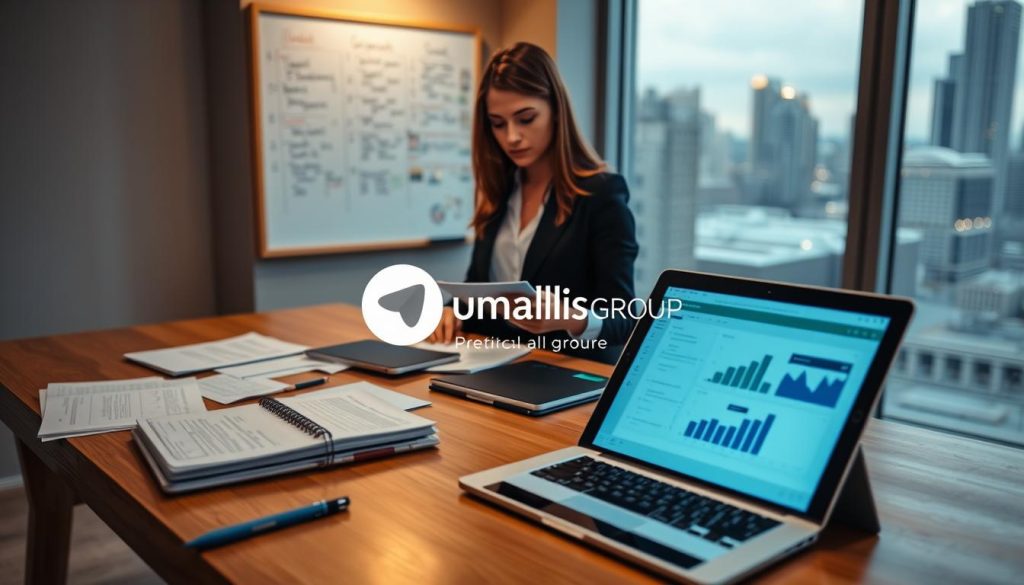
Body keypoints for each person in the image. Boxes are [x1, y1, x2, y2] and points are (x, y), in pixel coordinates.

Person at [428, 42, 638, 364]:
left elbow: (625, 320)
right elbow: (476, 290)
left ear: (556, 111)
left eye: (525, 119)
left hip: (567, 375)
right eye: (498, 124)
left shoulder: (602, 194)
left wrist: (573, 318)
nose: (511, 136)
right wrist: (449, 310)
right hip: (497, 368)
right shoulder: (499, 192)